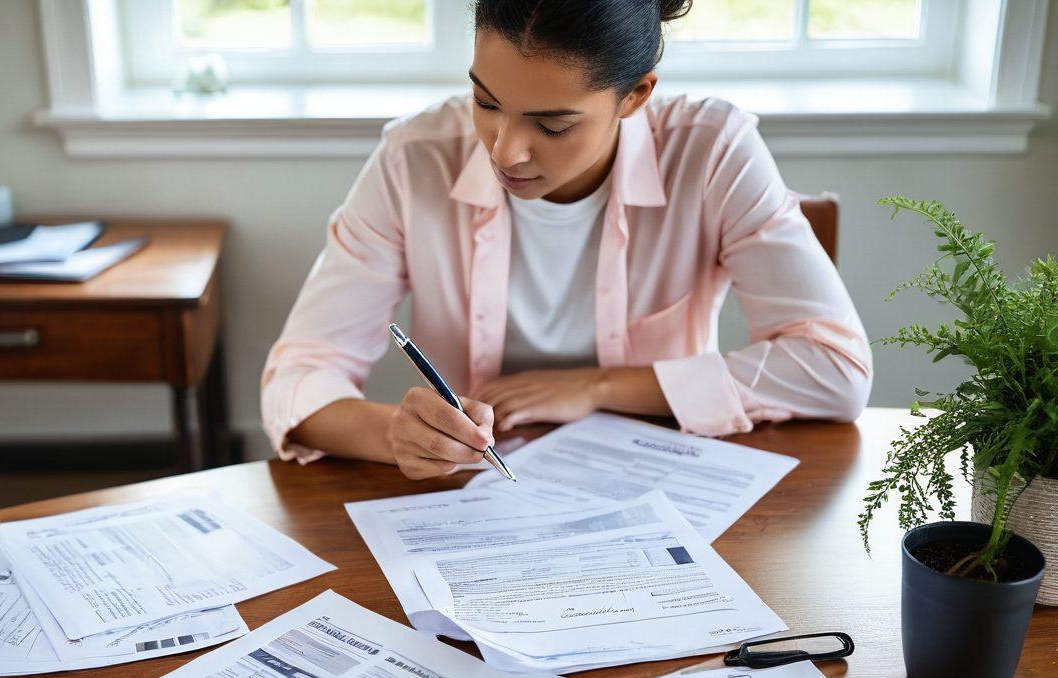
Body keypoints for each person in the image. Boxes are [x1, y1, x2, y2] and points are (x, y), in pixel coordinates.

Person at [261, 0, 872, 480]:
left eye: (552, 124)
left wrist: (595, 388)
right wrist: (394, 432)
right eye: (486, 102)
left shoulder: (712, 152)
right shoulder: (413, 160)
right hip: (473, 499)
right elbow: (298, 375)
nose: (505, 150)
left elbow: (836, 368)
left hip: (663, 489)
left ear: (635, 96)